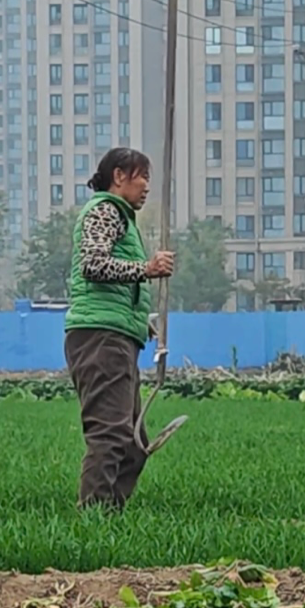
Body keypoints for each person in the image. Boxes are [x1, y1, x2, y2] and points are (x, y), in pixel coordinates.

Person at [64, 147, 186, 511]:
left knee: (133, 444)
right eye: (142, 176)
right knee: (111, 434)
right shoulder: (105, 211)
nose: (147, 186)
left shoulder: (121, 218)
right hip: (100, 338)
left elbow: (113, 285)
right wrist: (146, 269)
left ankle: (109, 518)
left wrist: (141, 323)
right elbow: (93, 265)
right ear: (119, 176)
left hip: (115, 333)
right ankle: (94, 520)